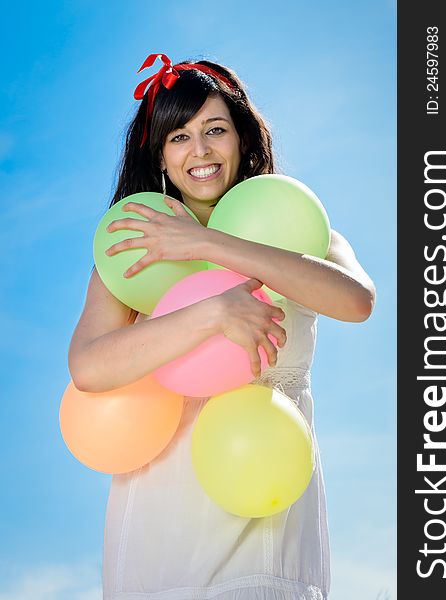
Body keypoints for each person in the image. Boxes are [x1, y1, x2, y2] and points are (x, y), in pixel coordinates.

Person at [68, 53, 376, 600]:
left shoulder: (299, 229)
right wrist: (212, 312)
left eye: (215, 130)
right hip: (160, 526)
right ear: (160, 155)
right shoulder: (132, 250)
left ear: (242, 139)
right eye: (179, 137)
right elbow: (89, 368)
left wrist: (209, 244)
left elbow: (356, 301)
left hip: (267, 515)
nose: (201, 151)